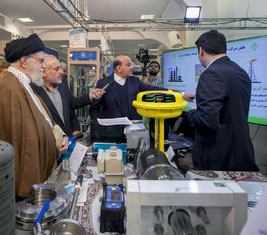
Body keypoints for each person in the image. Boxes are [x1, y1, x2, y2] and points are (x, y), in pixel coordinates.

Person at [0, 34, 68, 198]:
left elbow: (41, 119)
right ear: (24, 61)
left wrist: (59, 137)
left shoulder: (23, 84)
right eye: (40, 61)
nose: (42, 67)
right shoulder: (10, 88)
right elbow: (18, 141)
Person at [188, 30, 258, 171]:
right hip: (241, 154)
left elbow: (207, 120)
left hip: (218, 158)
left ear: (201, 50)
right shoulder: (240, 71)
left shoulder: (211, 73)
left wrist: (192, 112)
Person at [90, 55, 194, 120]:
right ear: (118, 68)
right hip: (111, 130)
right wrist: (98, 125)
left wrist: (182, 94)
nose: (132, 67)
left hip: (133, 127)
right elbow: (94, 108)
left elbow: (155, 89)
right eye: (128, 65)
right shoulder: (103, 83)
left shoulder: (135, 81)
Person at [31, 54, 104, 137]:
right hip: (49, 141)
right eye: (56, 69)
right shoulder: (34, 92)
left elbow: (73, 103)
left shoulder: (62, 86)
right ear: (44, 72)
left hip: (67, 139)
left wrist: (90, 96)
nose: (62, 72)